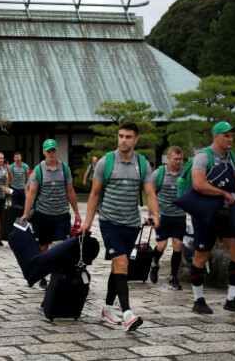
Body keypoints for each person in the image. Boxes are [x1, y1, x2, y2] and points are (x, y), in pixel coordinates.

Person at [79, 122, 160, 332]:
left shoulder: (142, 164)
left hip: (132, 224)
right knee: (121, 262)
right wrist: (87, 221)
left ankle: (107, 308)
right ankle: (127, 314)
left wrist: (155, 214)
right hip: (109, 221)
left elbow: (150, 193)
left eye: (128, 137)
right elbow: (95, 194)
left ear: (136, 140)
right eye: (121, 136)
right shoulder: (106, 162)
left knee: (119, 266)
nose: (123, 140)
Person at [190, 121, 235, 315]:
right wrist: (222, 194)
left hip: (227, 214)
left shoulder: (232, 157)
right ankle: (198, 299)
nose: (230, 138)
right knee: (202, 256)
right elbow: (198, 184)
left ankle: (232, 299)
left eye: (232, 135)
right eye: (226, 135)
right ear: (215, 136)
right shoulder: (203, 156)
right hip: (206, 215)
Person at [20, 139, 82, 290]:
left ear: (57, 151)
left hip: (61, 215)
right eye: (48, 151)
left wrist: (77, 213)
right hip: (43, 216)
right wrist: (25, 214)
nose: (51, 153)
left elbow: (70, 192)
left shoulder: (64, 169)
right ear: (44, 152)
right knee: (43, 248)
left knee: (62, 248)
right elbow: (32, 193)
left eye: (53, 150)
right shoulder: (38, 171)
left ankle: (59, 278)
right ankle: (42, 277)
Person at [149, 146, 186, 290]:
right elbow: (151, 194)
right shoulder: (159, 173)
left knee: (177, 245)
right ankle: (155, 263)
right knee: (162, 245)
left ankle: (173, 277)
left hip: (179, 215)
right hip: (162, 215)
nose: (178, 161)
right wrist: (152, 215)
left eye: (180, 159)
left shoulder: (184, 173)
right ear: (168, 158)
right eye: (175, 159)